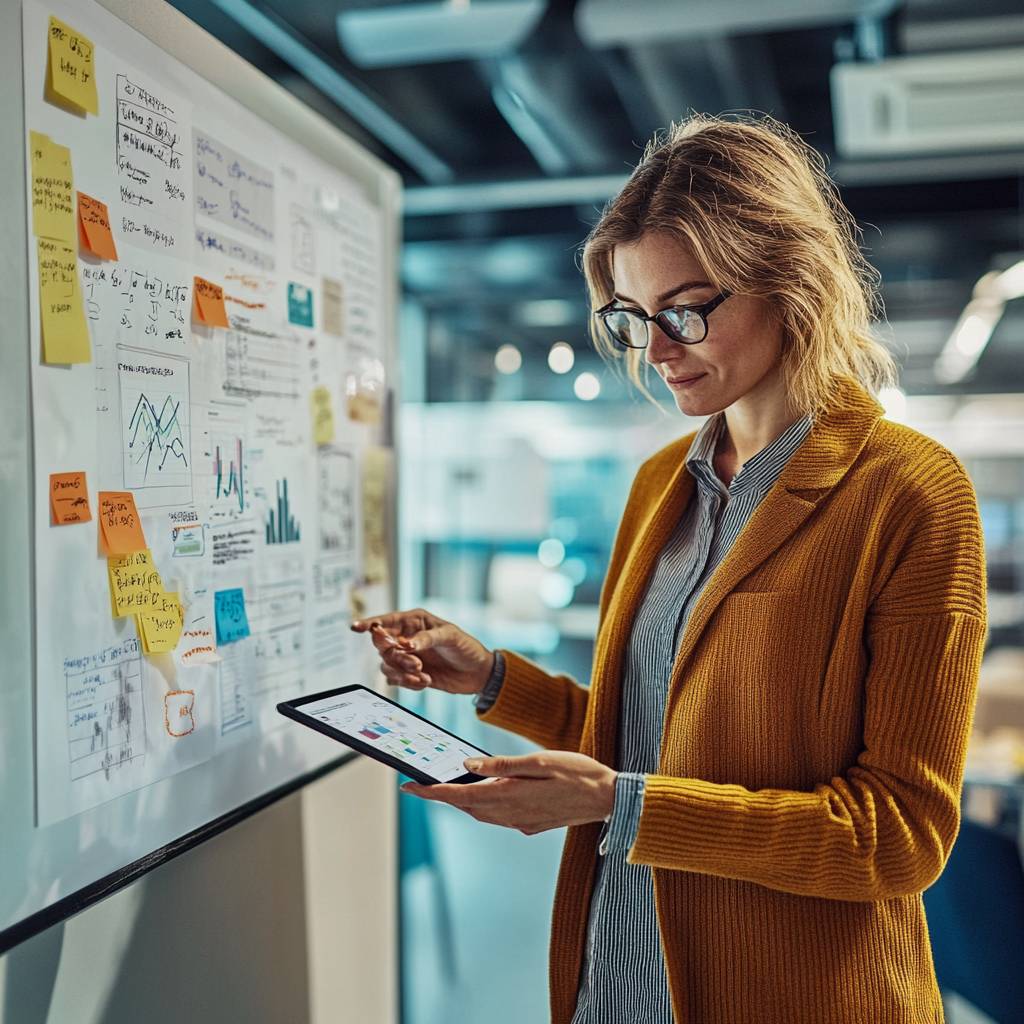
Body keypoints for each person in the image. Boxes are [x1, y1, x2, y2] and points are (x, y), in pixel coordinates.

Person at [351, 113, 989, 1024]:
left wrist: (624, 809)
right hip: (618, 977)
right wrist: (492, 678)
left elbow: (898, 837)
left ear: (790, 282)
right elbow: (645, 739)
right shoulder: (662, 485)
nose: (655, 351)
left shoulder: (910, 492)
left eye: (686, 310)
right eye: (634, 317)